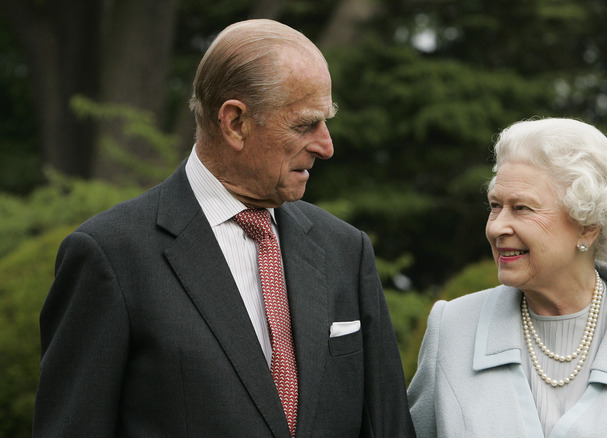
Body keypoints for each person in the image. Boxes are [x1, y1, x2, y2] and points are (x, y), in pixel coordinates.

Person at [33, 19, 415, 437]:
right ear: (235, 123)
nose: (327, 146)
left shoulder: (345, 249)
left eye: (326, 122)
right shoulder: (110, 255)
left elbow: (389, 426)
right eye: (305, 124)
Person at [407, 118, 607, 437]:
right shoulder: (452, 329)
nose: (496, 227)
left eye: (522, 208)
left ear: (587, 226)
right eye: (496, 205)